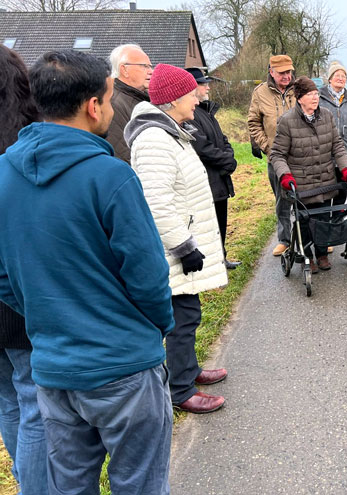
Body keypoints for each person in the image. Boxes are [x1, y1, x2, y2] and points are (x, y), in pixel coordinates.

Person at [0, 49, 174, 494]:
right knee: (139, 483)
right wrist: (156, 326)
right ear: (93, 105)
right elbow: (148, 274)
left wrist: (41, 312)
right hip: (123, 366)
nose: (113, 107)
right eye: (111, 97)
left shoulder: (4, 175)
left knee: (70, 487)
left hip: (55, 370)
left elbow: (4, 275)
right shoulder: (111, 176)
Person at [125, 64, 229, 414]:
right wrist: (184, 246)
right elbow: (157, 202)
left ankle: (189, 369)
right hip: (175, 248)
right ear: (173, 100)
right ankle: (180, 390)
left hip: (182, 242)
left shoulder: (171, 132)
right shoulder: (155, 140)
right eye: (191, 95)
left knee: (189, 313)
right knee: (182, 318)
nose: (197, 101)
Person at [0, 45, 47, 495]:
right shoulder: (17, 148)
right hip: (14, 298)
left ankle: (23, 476)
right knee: (34, 399)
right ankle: (37, 485)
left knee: (7, 400)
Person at [269, 76, 347, 273]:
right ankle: (307, 256)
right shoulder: (287, 121)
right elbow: (277, 154)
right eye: (310, 94)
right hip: (301, 184)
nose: (315, 98)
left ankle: (322, 253)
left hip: (325, 181)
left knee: (323, 218)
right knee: (305, 222)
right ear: (299, 98)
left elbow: (337, 146)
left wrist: (345, 168)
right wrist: (285, 176)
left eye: (316, 93)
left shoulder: (326, 115)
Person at [184, 67, 241, 270]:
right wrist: (227, 161)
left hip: (219, 179)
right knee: (209, 226)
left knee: (221, 222)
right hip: (207, 180)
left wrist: (229, 156)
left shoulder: (206, 111)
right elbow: (202, 146)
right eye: (202, 83)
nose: (207, 86)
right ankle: (212, 264)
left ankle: (221, 259)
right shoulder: (191, 115)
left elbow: (222, 139)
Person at [247, 55, 296, 256]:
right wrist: (267, 147)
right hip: (276, 158)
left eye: (289, 72)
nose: (287, 76)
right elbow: (253, 123)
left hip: (301, 156)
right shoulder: (260, 93)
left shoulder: (299, 88)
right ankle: (285, 239)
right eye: (282, 72)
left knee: (308, 199)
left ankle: (312, 237)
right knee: (282, 200)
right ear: (271, 72)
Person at [319, 62, 347, 208]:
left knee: (341, 195)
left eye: (343, 76)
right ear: (330, 79)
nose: (341, 78)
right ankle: (326, 225)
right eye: (337, 75)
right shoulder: (319, 97)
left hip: (345, 155)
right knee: (324, 195)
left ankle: (337, 227)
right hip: (324, 155)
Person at [106, 44, 153, 163]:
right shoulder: (113, 103)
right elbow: (120, 154)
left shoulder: (140, 99)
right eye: (144, 66)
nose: (151, 71)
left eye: (150, 66)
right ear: (124, 70)